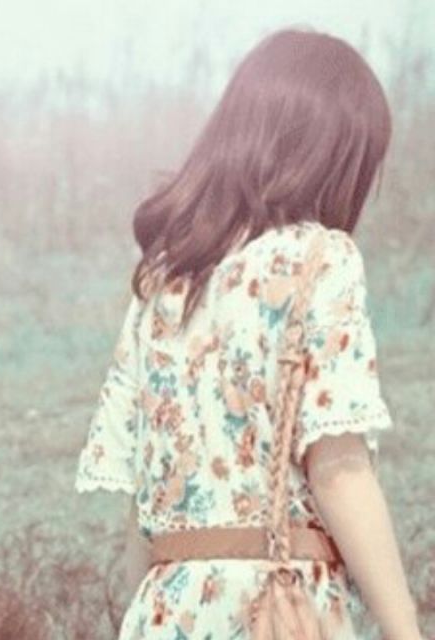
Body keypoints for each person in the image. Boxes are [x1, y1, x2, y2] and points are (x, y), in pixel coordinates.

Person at [74, 26, 424, 640]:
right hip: (277, 610)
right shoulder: (321, 262)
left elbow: (143, 507)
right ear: (331, 157)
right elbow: (339, 469)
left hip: (164, 607)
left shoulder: (165, 281)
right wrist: (406, 630)